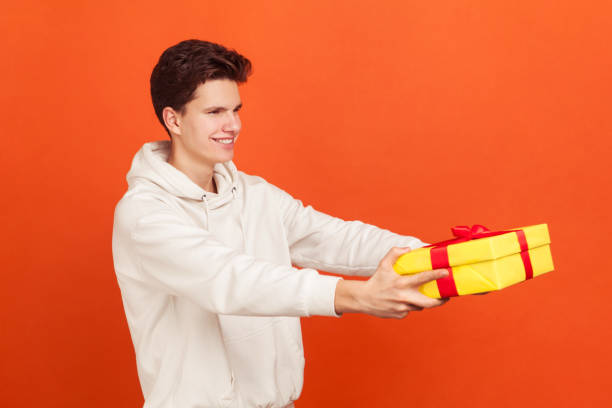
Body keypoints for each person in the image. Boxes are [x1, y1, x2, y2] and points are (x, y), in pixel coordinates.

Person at [111, 39, 449, 408]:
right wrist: (355, 296)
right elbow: (227, 279)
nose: (233, 125)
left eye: (236, 110)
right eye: (215, 112)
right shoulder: (144, 214)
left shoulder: (255, 194)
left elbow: (332, 237)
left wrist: (439, 259)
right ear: (173, 119)